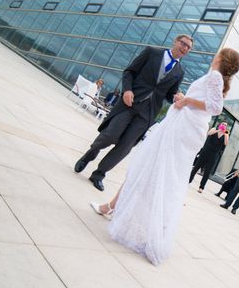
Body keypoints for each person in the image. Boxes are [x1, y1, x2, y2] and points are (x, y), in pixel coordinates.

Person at [89, 48, 239, 264]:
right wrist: (185, 99)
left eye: (219, 53)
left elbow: (216, 107)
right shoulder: (215, 77)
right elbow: (206, 104)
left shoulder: (215, 76)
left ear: (221, 59)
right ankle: (114, 208)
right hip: (183, 128)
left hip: (181, 130)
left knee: (149, 169)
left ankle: (118, 211)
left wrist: (186, 101)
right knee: (151, 171)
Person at [75, 35, 192, 191]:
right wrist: (127, 90)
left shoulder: (179, 72)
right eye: (183, 43)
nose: (184, 48)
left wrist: (176, 97)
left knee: (125, 146)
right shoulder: (152, 52)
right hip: (130, 103)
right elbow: (129, 72)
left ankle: (99, 174)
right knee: (110, 135)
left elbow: (169, 94)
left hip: (147, 113)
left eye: (188, 47)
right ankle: (90, 153)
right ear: (175, 42)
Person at [189, 123, 230, 192]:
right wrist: (218, 130)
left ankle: (201, 187)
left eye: (226, 125)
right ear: (220, 124)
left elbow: (226, 143)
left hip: (213, 155)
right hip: (205, 152)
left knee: (207, 172)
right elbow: (209, 133)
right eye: (223, 124)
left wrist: (225, 134)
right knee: (196, 167)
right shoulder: (214, 129)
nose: (224, 125)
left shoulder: (226, 134)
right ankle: (189, 180)